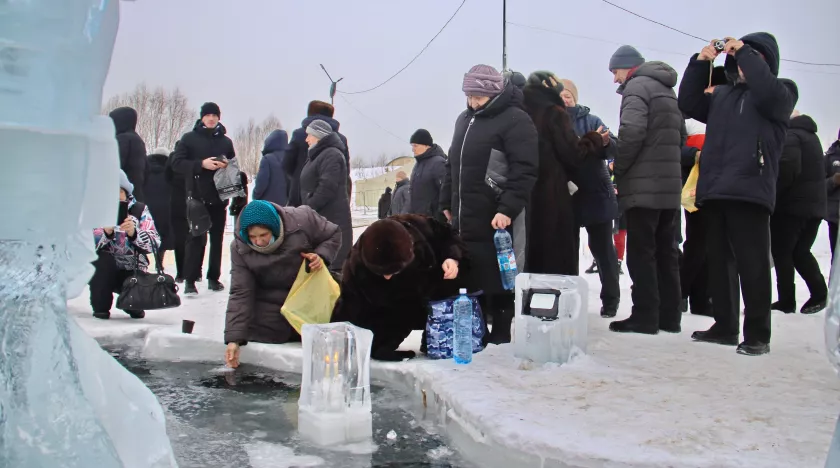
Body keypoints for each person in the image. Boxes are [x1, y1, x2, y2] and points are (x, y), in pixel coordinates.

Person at [679, 33, 798, 356]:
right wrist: (701, 62)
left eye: (752, 58)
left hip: (751, 188)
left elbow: (766, 88)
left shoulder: (780, 93)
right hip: (716, 188)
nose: (742, 63)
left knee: (754, 263)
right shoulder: (723, 96)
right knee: (719, 261)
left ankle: (758, 333)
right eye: (740, 58)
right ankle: (725, 325)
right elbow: (688, 102)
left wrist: (744, 51)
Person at [440, 64, 538, 344]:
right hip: (465, 209)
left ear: (494, 94)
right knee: (473, 268)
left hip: (495, 210)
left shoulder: (516, 120)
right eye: (469, 96)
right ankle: (479, 325)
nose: (472, 102)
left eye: (478, 97)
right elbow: (452, 163)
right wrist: (446, 199)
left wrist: (507, 208)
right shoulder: (464, 119)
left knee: (500, 270)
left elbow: (525, 169)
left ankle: (503, 329)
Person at [607, 46, 683, 336]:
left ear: (627, 67)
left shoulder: (636, 88)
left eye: (615, 72)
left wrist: (619, 168)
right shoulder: (665, 89)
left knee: (641, 252)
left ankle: (645, 315)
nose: (615, 79)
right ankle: (670, 316)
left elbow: (632, 132)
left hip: (643, 185)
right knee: (666, 250)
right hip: (668, 186)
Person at [224, 200, 341, 368]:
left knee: (331, 322)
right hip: (271, 299)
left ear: (274, 228)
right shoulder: (240, 248)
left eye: (263, 235)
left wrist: (320, 256)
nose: (258, 242)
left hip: (308, 289)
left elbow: (333, 234)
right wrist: (233, 339)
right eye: (252, 237)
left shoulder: (303, 219)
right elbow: (241, 291)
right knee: (260, 330)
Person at [332, 216, 465, 361]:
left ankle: (434, 338)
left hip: (434, 287)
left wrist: (452, 258)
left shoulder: (421, 229)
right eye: (382, 272)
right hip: (394, 301)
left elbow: (449, 235)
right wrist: (339, 342)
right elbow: (348, 304)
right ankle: (382, 343)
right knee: (374, 335)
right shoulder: (356, 264)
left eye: (392, 272)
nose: (387, 277)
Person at [522, 72, 604, 277]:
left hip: (525, 188)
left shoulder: (520, 111)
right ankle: (556, 300)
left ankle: (530, 298)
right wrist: (592, 139)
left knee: (531, 246)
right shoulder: (554, 113)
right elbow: (572, 154)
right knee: (555, 250)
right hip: (552, 191)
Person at [559, 78, 621, 317]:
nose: (565, 98)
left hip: (596, 194)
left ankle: (611, 300)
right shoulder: (554, 122)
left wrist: (603, 142)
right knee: (568, 251)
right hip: (567, 196)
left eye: (569, 94)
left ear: (575, 97)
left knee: (603, 249)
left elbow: (613, 147)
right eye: (561, 94)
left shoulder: (591, 120)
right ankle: (570, 301)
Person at [169, 102, 236, 295]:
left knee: (217, 239)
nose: (211, 118)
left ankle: (213, 278)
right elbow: (177, 163)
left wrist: (228, 178)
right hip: (197, 195)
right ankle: (190, 279)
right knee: (196, 237)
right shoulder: (189, 139)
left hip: (219, 196)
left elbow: (232, 168)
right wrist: (201, 164)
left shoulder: (226, 141)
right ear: (202, 117)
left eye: (215, 115)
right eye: (208, 115)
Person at [770, 111, 827, 315]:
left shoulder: (792, 136)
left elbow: (787, 169)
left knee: (783, 252)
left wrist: (772, 195)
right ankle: (819, 293)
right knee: (800, 251)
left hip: (792, 207)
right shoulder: (811, 136)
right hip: (814, 206)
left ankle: (786, 301)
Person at [89, 170, 160, 320]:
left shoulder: (140, 210)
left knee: (136, 310)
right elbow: (83, 244)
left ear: (127, 193)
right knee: (101, 262)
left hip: (132, 269)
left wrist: (134, 233)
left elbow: (154, 242)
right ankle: (101, 308)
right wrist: (105, 232)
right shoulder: (96, 210)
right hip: (104, 269)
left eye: (119, 191)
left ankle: (132, 304)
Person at [300, 119, 353, 272]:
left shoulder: (332, 155)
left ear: (319, 135)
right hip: (321, 219)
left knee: (333, 269)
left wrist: (308, 207)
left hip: (332, 220)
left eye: (309, 135)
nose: (306, 139)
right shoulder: (318, 154)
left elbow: (327, 187)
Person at [285, 101, 350, 206]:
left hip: (300, 199)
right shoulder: (341, 139)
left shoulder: (299, 135)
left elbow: (287, 164)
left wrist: (298, 178)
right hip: (331, 202)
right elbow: (345, 171)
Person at [679, 119, 712, 317]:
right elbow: (674, 148)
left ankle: (702, 299)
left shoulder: (720, 115)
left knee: (707, 245)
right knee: (697, 244)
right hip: (693, 189)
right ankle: (682, 292)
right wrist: (695, 154)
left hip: (715, 186)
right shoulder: (686, 119)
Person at [143, 147, 174, 269]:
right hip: (165, 207)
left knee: (145, 232)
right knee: (163, 234)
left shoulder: (143, 169)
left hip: (146, 206)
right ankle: (159, 263)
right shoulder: (170, 171)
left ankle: (143, 260)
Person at [109, 106, 147, 201]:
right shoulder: (139, 141)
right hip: (136, 192)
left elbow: (114, 167)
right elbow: (146, 170)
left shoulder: (121, 139)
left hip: (121, 193)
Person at [408, 129, 447, 219]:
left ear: (426, 145)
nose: (413, 149)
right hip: (418, 220)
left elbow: (445, 192)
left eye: (415, 146)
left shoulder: (438, 163)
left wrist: (441, 216)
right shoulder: (417, 165)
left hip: (433, 221)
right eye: (412, 146)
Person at [253, 129, 290, 206]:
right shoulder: (290, 158)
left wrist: (255, 196)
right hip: (284, 205)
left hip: (267, 205)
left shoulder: (267, 159)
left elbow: (261, 182)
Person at [825, 129, 840, 269]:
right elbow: (819, 186)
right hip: (835, 218)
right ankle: (835, 289)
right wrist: (833, 181)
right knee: (836, 259)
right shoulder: (829, 157)